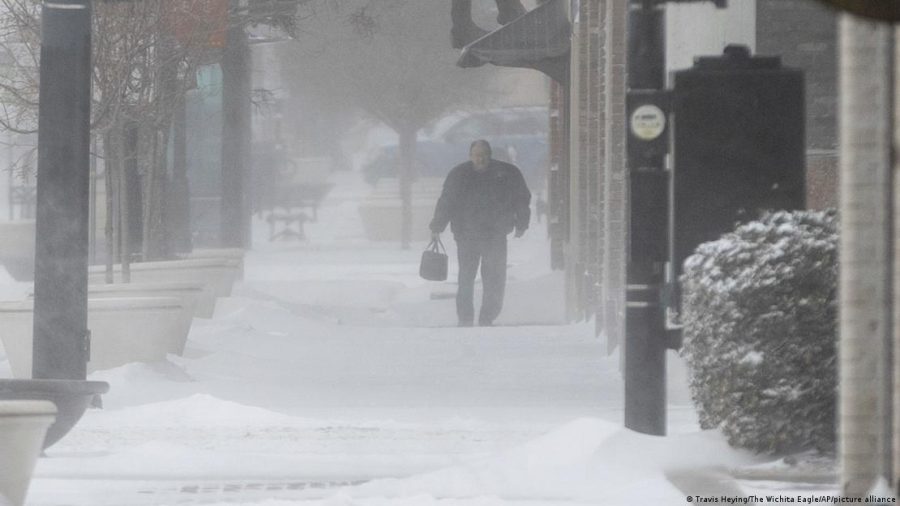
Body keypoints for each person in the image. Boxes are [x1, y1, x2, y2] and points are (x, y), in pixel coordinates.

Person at [429, 139, 531, 327]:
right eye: (477, 155)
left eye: (484, 155)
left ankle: (488, 315)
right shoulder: (459, 175)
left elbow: (521, 198)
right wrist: (437, 226)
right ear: (470, 156)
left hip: (495, 233)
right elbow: (446, 202)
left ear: (490, 155)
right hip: (466, 235)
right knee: (466, 278)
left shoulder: (507, 174)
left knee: (495, 277)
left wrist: (522, 223)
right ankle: (465, 317)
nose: (481, 159)